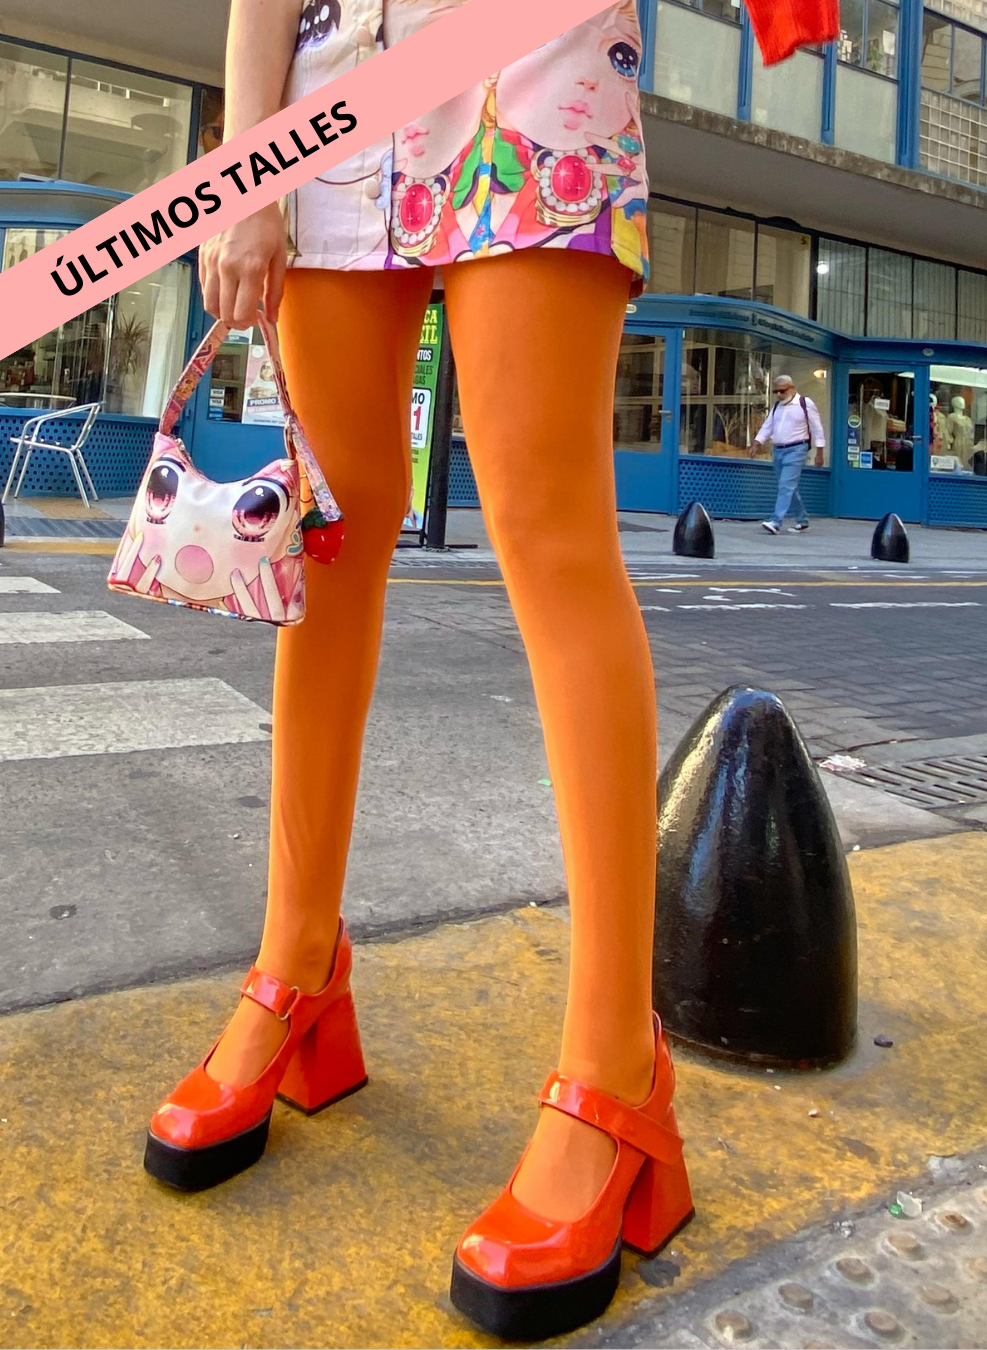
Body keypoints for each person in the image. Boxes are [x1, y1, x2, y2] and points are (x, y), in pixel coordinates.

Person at [142, 0, 828, 1337]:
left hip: (534, 49)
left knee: (551, 533)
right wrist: (248, 173)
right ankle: (294, 971)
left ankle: (614, 1067)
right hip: (338, 88)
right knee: (330, 543)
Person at [753, 374, 826, 534]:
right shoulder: (777, 407)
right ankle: (802, 519)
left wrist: (819, 451)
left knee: (786, 485)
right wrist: (757, 442)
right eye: (776, 391)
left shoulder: (805, 404)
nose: (779, 394)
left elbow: (817, 428)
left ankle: (775, 521)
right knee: (788, 486)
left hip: (797, 449)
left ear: (792, 388)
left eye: (782, 390)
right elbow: (768, 426)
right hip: (778, 450)